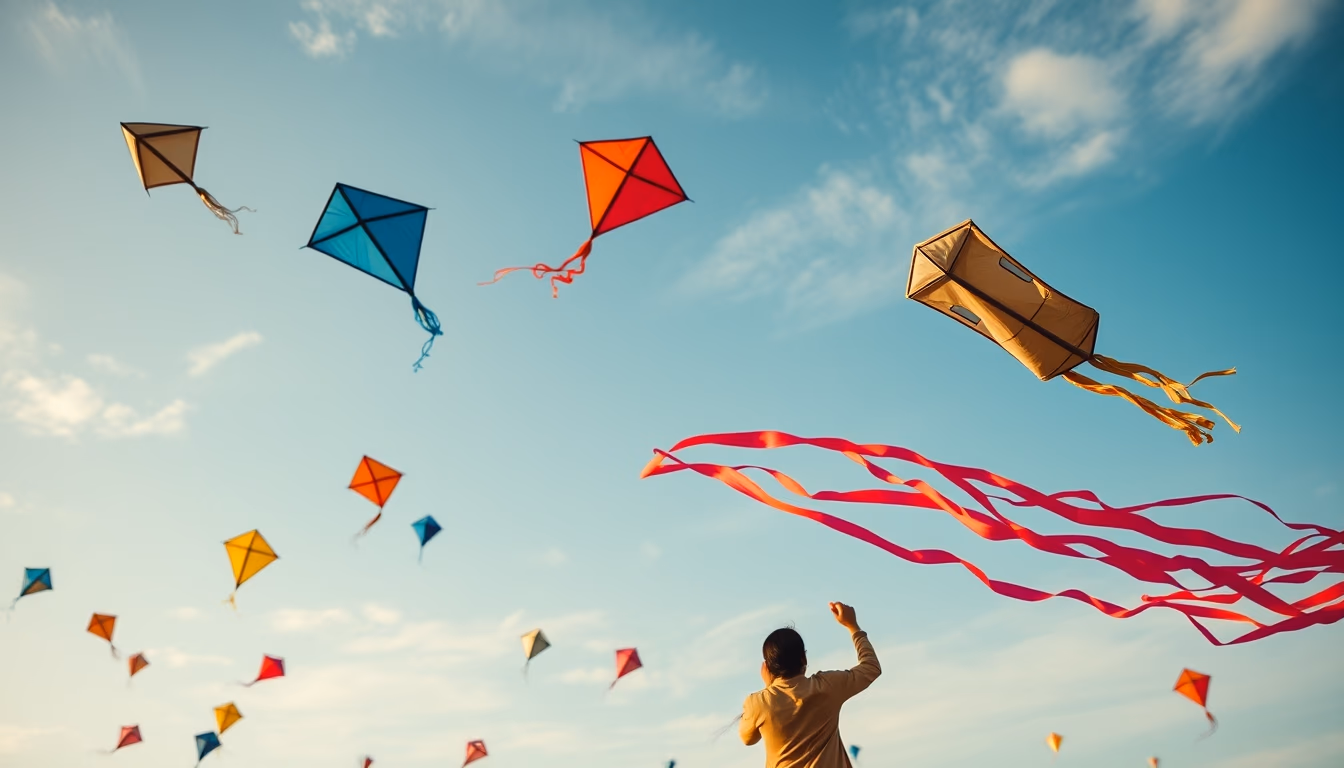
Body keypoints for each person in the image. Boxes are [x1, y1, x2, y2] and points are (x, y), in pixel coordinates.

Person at [740, 602, 881, 768]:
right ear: (804, 659)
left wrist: (769, 688)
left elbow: (748, 738)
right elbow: (871, 668)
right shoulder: (828, 686)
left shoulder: (758, 703)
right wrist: (853, 626)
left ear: (768, 667)